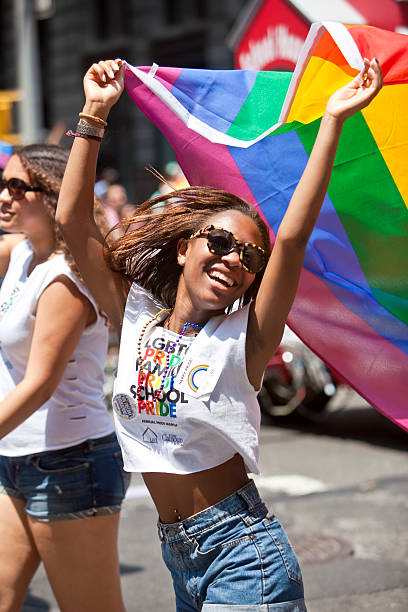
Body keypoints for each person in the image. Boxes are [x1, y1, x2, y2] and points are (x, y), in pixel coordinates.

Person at [56, 58, 382, 611]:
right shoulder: (135, 313)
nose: (234, 259)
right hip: (180, 557)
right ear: (185, 248)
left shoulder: (245, 338)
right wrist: (94, 112)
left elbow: (295, 238)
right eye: (220, 242)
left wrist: (331, 120)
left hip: (243, 556)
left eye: (250, 257)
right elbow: (72, 224)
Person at [0, 144, 129, 612]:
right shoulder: (22, 256)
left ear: (52, 195)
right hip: (15, 457)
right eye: (3, 183)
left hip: (69, 463)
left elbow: (40, 384)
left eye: (18, 186)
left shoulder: (64, 280)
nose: (4, 195)